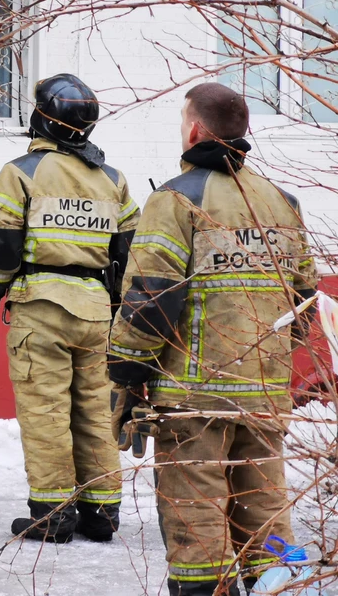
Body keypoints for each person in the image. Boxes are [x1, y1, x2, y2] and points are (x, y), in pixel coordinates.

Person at [109, 83, 318, 596]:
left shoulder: (175, 200)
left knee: (198, 526)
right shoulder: (281, 202)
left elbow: (151, 300)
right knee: (267, 517)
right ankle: (280, 587)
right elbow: (305, 301)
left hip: (194, 403)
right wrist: (268, 363)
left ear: (195, 130)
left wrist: (127, 377)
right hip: (263, 397)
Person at [0, 73, 141, 543]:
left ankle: (53, 514)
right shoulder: (114, 181)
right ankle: (102, 513)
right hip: (96, 315)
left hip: (40, 311)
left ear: (42, 117)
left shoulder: (21, 172)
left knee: (46, 411)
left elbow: (0, 250)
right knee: (93, 412)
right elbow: (130, 254)